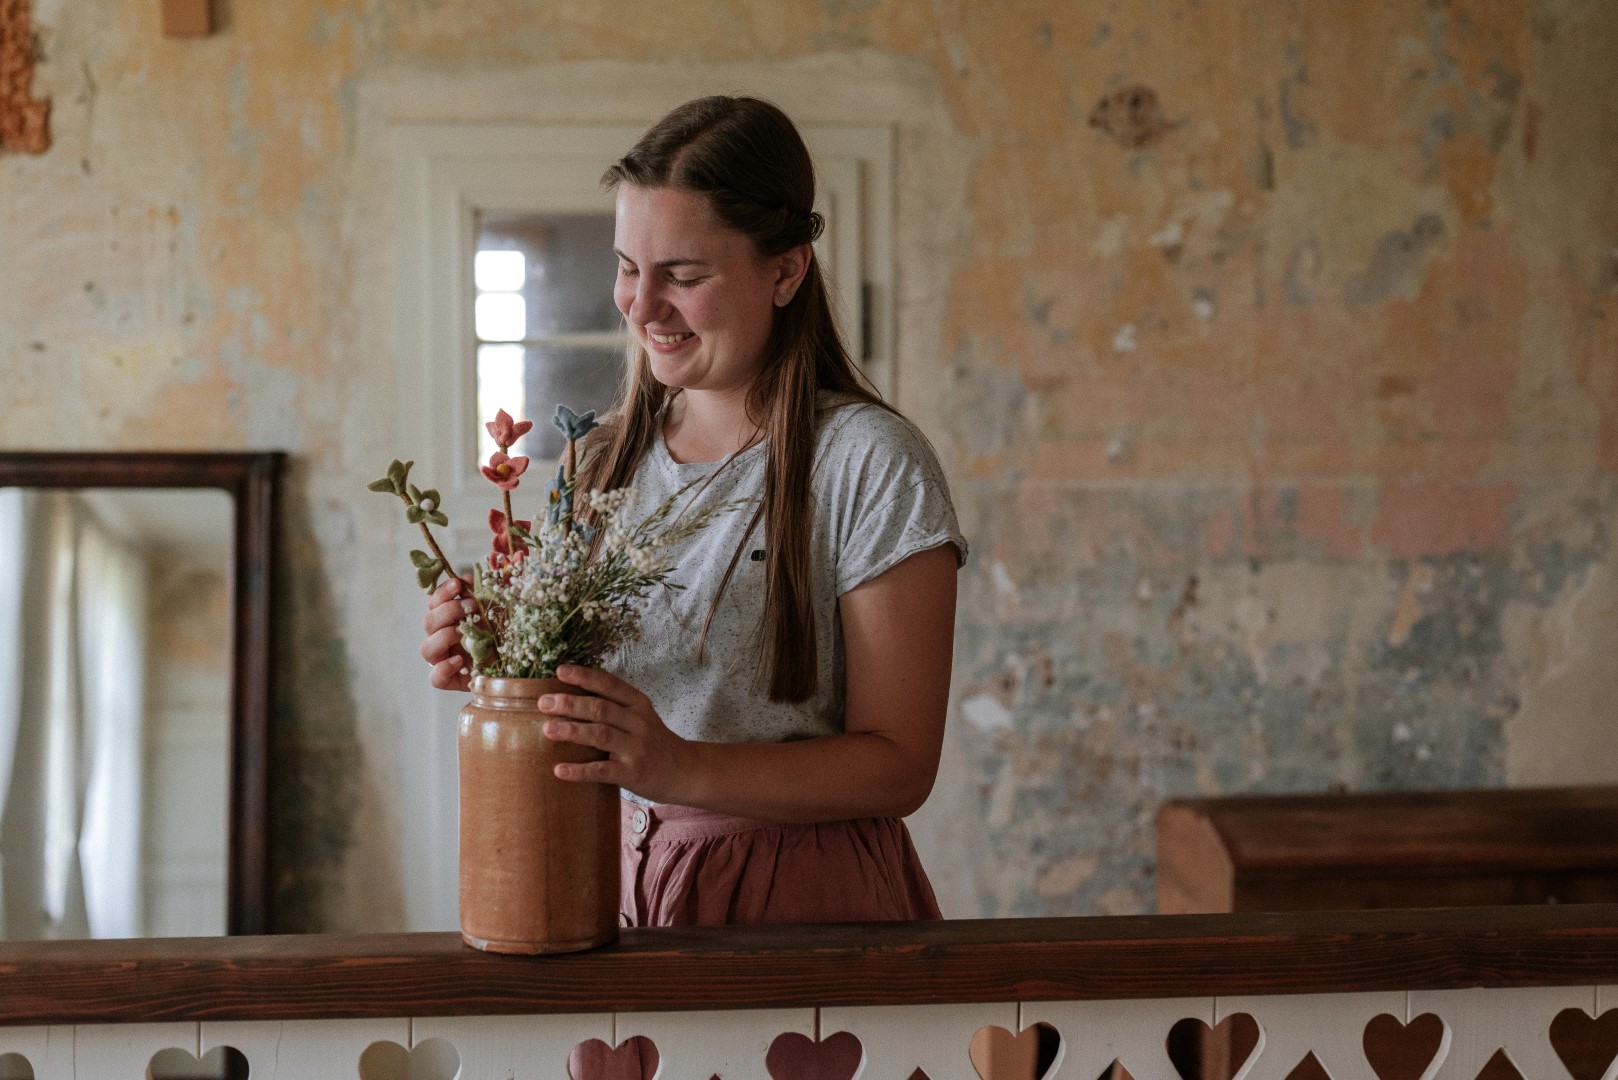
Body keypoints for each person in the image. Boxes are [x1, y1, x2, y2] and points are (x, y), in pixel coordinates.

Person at [421, 95, 967, 927]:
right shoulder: (597, 460)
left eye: (683, 274)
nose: (641, 308)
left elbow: (900, 767)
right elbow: (582, 711)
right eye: (629, 268)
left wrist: (683, 769)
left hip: (803, 907)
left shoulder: (869, 462)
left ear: (785, 271)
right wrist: (501, 658)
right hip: (609, 882)